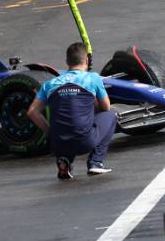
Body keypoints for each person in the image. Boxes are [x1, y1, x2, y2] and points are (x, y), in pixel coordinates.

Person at [26, 41, 115, 179]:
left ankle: (64, 163)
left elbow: (32, 112)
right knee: (111, 114)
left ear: (67, 61)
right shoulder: (93, 78)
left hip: (58, 143)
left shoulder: (49, 84)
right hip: (85, 142)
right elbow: (106, 107)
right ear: (86, 60)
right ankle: (95, 162)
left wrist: (50, 131)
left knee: (65, 122)